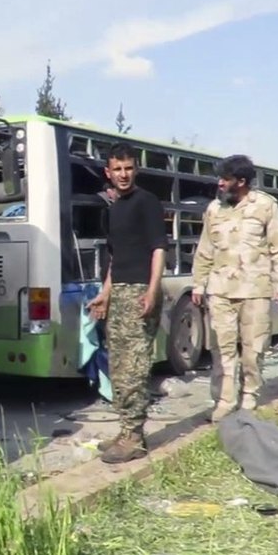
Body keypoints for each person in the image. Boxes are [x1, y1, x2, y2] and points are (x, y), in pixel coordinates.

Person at [191, 155, 278, 423]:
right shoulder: (214, 209)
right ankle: (224, 401)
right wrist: (199, 284)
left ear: (242, 181)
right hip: (220, 290)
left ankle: (250, 396)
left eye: (225, 179)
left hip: (255, 290)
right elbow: (205, 250)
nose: (220, 183)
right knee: (221, 348)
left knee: (253, 349)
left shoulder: (265, 206)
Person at [86, 143, 167, 464]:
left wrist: (152, 290)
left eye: (128, 168)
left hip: (139, 292)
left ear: (136, 169)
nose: (123, 174)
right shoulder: (114, 207)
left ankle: (135, 437)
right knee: (118, 367)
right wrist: (106, 293)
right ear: (108, 172)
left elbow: (158, 249)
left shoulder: (147, 203)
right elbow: (116, 258)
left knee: (134, 367)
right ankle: (124, 429)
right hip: (119, 291)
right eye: (117, 169)